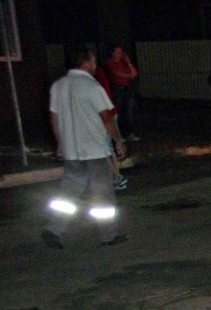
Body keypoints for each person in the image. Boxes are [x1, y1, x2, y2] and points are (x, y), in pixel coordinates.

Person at [42, 46, 128, 249]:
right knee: (103, 194)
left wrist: (60, 142)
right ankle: (108, 234)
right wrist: (118, 140)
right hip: (94, 149)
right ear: (87, 61)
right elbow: (106, 117)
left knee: (68, 192)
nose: (95, 65)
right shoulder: (92, 86)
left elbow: (54, 117)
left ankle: (54, 228)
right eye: (94, 61)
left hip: (72, 149)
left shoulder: (59, 86)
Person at [94, 62, 128, 191]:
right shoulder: (99, 75)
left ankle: (116, 176)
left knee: (106, 147)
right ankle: (116, 176)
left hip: (105, 113)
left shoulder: (95, 78)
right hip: (109, 111)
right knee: (108, 146)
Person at [104, 44, 139, 141]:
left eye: (121, 52)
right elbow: (116, 73)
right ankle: (118, 134)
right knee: (117, 111)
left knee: (129, 111)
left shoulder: (124, 63)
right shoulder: (110, 62)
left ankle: (130, 133)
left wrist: (128, 62)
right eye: (118, 52)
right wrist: (129, 75)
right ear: (112, 53)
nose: (120, 54)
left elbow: (134, 74)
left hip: (127, 88)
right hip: (117, 88)